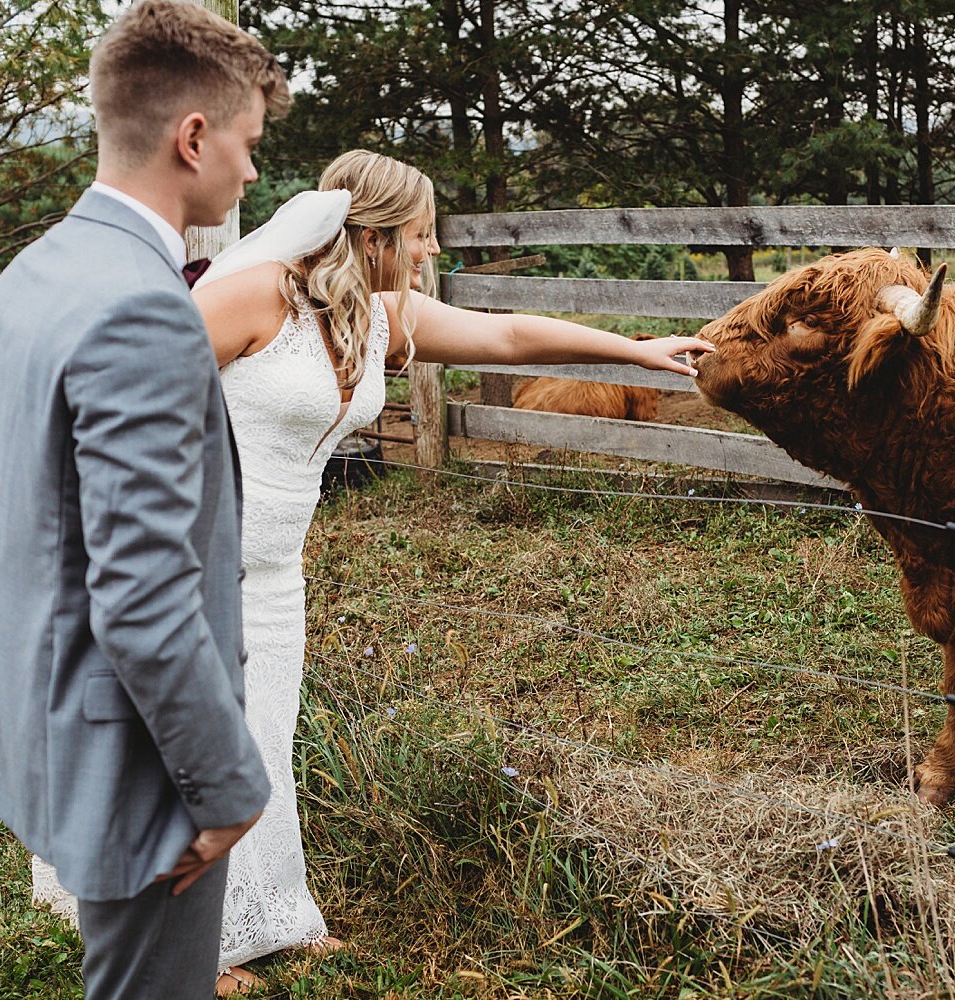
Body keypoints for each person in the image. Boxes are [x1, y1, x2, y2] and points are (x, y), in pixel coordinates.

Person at [165, 148, 713, 991]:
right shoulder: (250, 294)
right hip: (192, 562)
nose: (430, 254)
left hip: (276, 569)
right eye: (420, 236)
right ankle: (180, 944)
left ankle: (269, 916)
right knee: (188, 751)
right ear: (373, 233)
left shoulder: (375, 316)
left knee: (264, 741)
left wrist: (633, 350)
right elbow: (139, 400)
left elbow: (506, 334)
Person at [0, 3, 290, 997]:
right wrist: (227, 789)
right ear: (193, 137)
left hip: (46, 715)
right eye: (249, 146)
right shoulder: (145, 307)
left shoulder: (30, 274)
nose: (252, 174)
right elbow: (143, 595)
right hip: (142, 759)